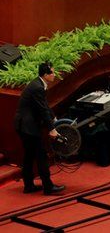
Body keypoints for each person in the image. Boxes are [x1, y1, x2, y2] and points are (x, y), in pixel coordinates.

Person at [14, 61, 64, 195]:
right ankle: (48, 187)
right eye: (52, 72)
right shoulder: (38, 87)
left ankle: (28, 186)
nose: (54, 75)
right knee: (41, 155)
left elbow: (44, 105)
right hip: (27, 126)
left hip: (24, 125)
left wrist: (53, 118)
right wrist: (52, 129)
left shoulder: (38, 83)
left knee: (29, 156)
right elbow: (42, 110)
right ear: (45, 74)